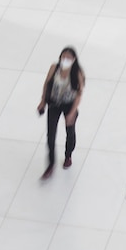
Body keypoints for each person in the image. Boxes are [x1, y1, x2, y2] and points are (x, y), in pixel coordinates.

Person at [37, 46, 85, 178]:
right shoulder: (54, 68)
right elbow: (47, 84)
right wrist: (43, 101)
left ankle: (68, 155)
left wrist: (72, 112)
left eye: (69, 58)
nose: (65, 60)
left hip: (69, 105)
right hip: (54, 103)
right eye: (63, 57)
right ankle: (50, 164)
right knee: (50, 134)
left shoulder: (77, 73)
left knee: (70, 132)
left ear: (74, 59)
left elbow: (79, 94)